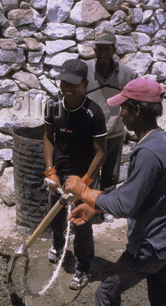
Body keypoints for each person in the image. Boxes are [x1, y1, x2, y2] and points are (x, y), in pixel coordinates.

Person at [63, 78, 166, 306]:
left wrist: (83, 190)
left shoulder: (147, 152)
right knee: (161, 297)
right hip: (164, 238)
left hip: (149, 244)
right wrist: (95, 207)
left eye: (124, 109)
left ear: (136, 110)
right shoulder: (159, 140)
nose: (121, 115)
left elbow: (127, 204)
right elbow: (136, 192)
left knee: (107, 291)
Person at [43, 58, 107, 290]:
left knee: (81, 224)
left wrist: (86, 183)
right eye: (63, 82)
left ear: (84, 84)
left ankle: (83, 267)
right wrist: (50, 170)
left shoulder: (94, 114)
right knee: (56, 215)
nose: (66, 87)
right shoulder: (53, 106)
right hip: (59, 175)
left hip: (84, 176)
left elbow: (101, 152)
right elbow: (48, 138)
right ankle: (59, 247)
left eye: (73, 83)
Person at [85, 31, 138, 223]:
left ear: (114, 50)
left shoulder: (126, 74)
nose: (103, 53)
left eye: (107, 49)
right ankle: (90, 206)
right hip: (89, 133)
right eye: (100, 49)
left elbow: (134, 97)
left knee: (110, 174)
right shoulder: (85, 70)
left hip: (114, 132)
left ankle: (106, 207)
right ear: (95, 50)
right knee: (89, 172)